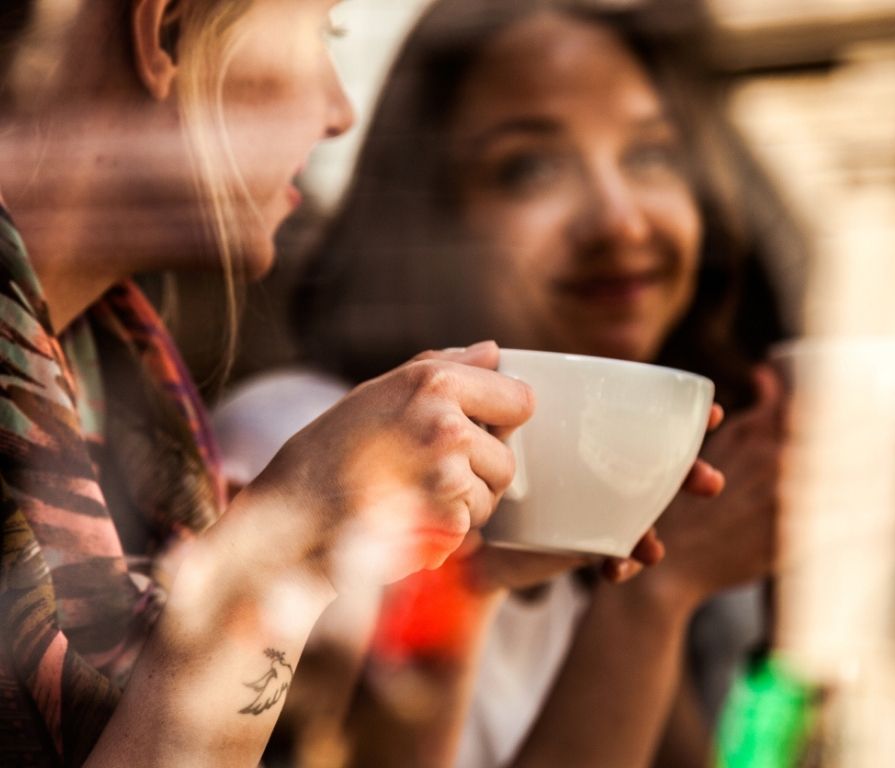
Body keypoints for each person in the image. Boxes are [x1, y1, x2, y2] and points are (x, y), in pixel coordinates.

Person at [0, 2, 728, 765]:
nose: (341, 113)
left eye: (652, 154)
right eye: (323, 33)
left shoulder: (125, 394)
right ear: (166, 30)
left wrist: (475, 579)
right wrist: (287, 543)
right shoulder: (271, 430)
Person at [214, 0, 805, 765]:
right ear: (425, 221)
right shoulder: (303, 445)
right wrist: (660, 596)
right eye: (531, 167)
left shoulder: (586, 508)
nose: (622, 220)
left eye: (652, 154)